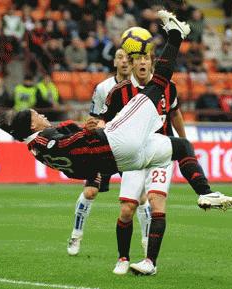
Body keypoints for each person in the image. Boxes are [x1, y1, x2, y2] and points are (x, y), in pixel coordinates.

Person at [0, 11, 232, 276]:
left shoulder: (37, 147)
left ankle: (205, 192)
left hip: (122, 158)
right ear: (30, 126)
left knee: (180, 147)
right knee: (157, 87)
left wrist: (86, 146)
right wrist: (91, 134)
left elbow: (70, 160)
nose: (42, 115)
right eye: (36, 116)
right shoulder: (44, 141)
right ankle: (176, 33)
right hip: (116, 141)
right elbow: (68, 143)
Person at [94, 43, 188, 275]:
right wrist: (98, 132)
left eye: (147, 58)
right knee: (127, 209)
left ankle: (150, 262)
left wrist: (184, 143)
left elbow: (174, 113)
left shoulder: (168, 87)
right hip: (133, 156)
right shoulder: (119, 92)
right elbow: (103, 120)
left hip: (161, 153)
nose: (143, 62)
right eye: (139, 59)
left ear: (153, 62)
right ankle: (123, 257)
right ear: (132, 64)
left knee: (157, 203)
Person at [66, 48, 152, 258]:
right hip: (104, 148)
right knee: (90, 192)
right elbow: (93, 118)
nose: (124, 62)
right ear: (114, 62)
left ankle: (147, 242)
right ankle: (76, 235)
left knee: (140, 198)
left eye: (127, 58)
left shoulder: (141, 88)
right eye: (119, 58)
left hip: (129, 150)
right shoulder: (103, 88)